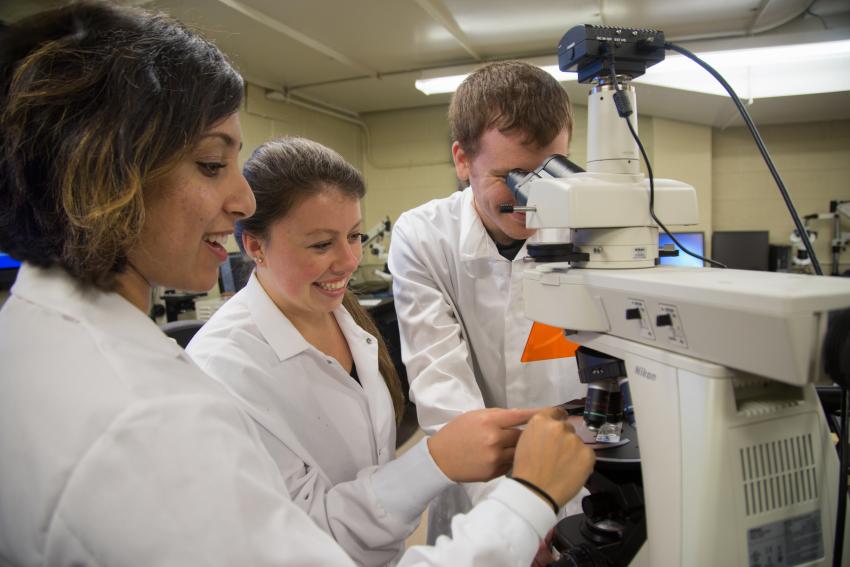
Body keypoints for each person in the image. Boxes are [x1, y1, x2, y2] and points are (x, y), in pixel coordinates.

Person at [0, 4, 595, 567]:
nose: (243, 202)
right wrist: (524, 501)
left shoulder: (42, 337)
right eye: (212, 164)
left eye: (354, 236)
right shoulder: (148, 416)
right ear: (102, 172)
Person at [187, 136, 554, 566]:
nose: (346, 261)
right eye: (321, 244)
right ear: (254, 246)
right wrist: (432, 463)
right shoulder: (222, 371)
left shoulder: (345, 319)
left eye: (355, 236)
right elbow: (302, 540)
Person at [387, 61, 588, 542]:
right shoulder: (424, 237)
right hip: (478, 492)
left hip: (580, 476)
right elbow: (443, 390)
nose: (533, 198)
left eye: (549, 173)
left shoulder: (593, 227)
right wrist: (512, 514)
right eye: (512, 176)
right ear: (463, 161)